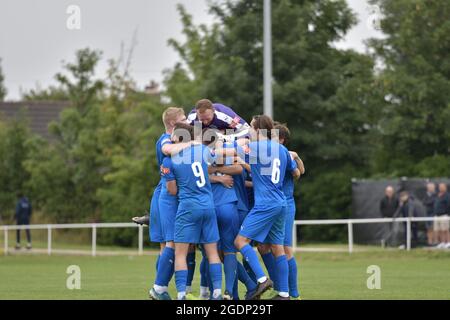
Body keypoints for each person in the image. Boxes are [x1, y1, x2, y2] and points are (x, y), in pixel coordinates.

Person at [234, 115, 299, 300]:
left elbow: (229, 149)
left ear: (258, 130)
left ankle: (262, 280)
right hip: (281, 203)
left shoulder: (254, 147)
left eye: (251, 129)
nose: (249, 132)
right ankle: (285, 294)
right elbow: (294, 172)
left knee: (240, 242)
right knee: (278, 248)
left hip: (265, 204)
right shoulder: (282, 149)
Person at [164, 123, 223, 300]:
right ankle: (217, 293)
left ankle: (182, 294)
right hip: (208, 206)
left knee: (180, 253)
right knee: (212, 252)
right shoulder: (202, 150)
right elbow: (216, 159)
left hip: (188, 207)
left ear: (178, 137)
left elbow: (172, 190)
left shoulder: (170, 159)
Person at [256, 123, 303, 300]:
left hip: (284, 204)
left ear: (281, 139)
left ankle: (293, 294)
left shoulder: (282, 153)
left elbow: (300, 172)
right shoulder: (271, 153)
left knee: (284, 249)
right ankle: (279, 287)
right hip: (269, 205)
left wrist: (296, 158)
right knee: (263, 247)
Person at [434, 183, 450, 249]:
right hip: (437, 215)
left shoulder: (447, 195)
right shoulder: (438, 195)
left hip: (444, 215)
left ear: (445, 187)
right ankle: (442, 242)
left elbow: (448, 205)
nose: (440, 188)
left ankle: (448, 242)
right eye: (440, 187)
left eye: (442, 187)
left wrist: (448, 214)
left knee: (445, 230)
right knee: (439, 230)